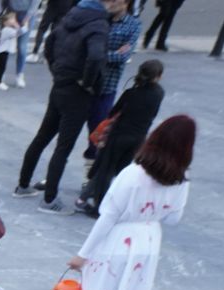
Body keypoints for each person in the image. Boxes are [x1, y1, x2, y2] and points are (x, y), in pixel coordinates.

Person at [29, 115, 192, 290]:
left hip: (119, 241)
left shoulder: (134, 173)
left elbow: (108, 216)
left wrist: (83, 254)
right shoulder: (180, 180)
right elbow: (174, 219)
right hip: (148, 243)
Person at [13, 0, 121, 212]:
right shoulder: (98, 24)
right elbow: (97, 56)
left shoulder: (73, 15)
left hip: (60, 85)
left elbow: (49, 43)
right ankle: (49, 198)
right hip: (78, 92)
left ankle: (23, 185)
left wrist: (57, 71)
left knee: (42, 137)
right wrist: (89, 82)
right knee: (63, 146)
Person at [77, 59, 163, 214]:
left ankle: (99, 206)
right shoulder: (159, 93)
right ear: (158, 77)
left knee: (105, 170)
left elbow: (113, 112)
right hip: (138, 138)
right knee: (121, 170)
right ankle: (101, 198)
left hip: (119, 135)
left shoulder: (131, 94)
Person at [87, 0, 139, 145]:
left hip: (106, 85)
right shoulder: (100, 18)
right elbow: (87, 49)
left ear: (126, 3)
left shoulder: (133, 25)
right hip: (86, 83)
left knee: (98, 132)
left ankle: (91, 162)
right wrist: (111, 53)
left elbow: (123, 56)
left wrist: (99, 55)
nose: (110, 3)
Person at [0, 9, 21, 88]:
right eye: (12, 19)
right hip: (3, 52)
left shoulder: (6, 30)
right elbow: (18, 33)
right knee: (1, 67)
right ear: (5, 22)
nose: (14, 21)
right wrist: (18, 26)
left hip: (2, 51)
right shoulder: (7, 30)